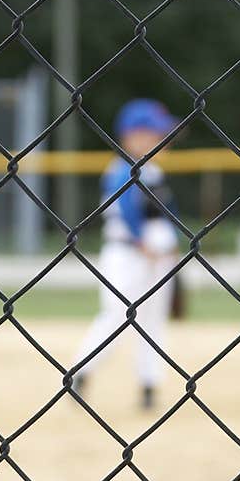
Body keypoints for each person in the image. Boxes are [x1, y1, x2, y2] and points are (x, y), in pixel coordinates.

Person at [73, 98, 181, 410]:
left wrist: (171, 244)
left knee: (153, 322)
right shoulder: (122, 169)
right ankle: (81, 371)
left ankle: (149, 385)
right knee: (116, 316)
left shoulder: (155, 172)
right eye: (156, 133)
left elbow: (164, 215)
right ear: (133, 135)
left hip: (157, 259)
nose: (163, 139)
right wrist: (140, 242)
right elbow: (125, 209)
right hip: (126, 254)